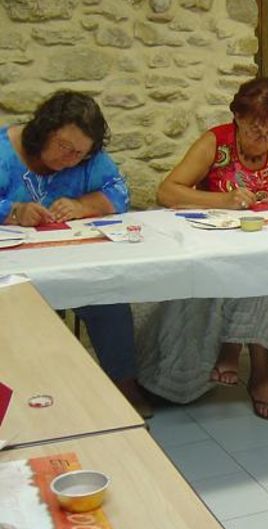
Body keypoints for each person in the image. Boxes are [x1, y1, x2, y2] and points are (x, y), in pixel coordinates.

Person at [150, 77, 268, 420]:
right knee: (259, 271)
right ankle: (255, 368)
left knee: (266, 269)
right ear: (237, 117)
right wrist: (223, 200)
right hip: (218, 241)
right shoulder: (215, 143)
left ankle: (244, 358)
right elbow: (167, 192)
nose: (263, 138)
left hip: (266, 240)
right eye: (255, 129)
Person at [0, 90, 152, 417]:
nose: (70, 160)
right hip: (12, 270)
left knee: (108, 297)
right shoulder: (4, 151)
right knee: (20, 314)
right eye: (63, 147)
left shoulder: (89, 158)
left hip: (69, 261)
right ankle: (29, 395)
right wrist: (12, 211)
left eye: (79, 154)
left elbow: (119, 192)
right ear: (43, 130)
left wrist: (83, 205)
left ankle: (124, 385)